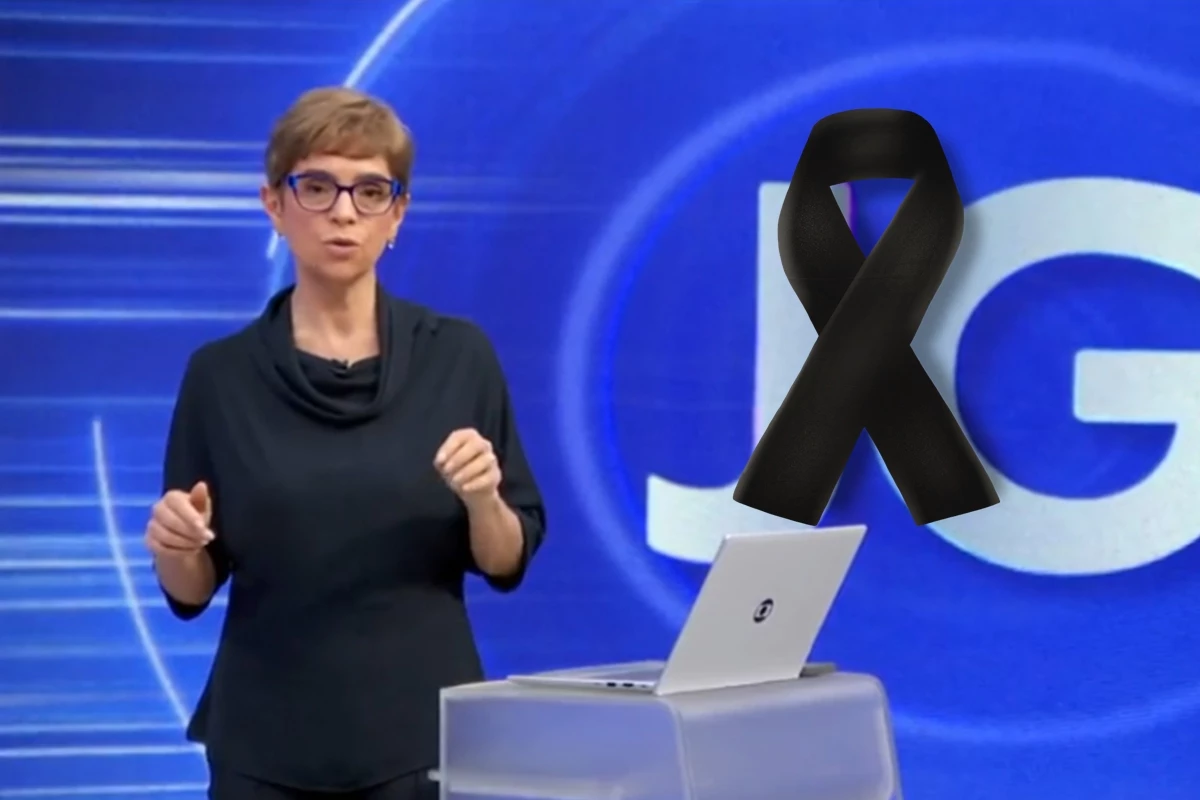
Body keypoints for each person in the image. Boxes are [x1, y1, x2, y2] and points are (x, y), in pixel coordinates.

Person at [143, 87, 547, 800]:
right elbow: (193, 587)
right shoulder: (220, 376)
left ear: (398, 214)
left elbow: (504, 561)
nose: (343, 212)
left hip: (420, 738)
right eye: (317, 186)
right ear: (274, 204)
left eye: (370, 191)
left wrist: (484, 500)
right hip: (264, 741)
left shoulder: (459, 357)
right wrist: (174, 547)